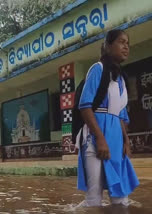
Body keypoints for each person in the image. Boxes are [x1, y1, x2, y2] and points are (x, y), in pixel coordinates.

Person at [77, 29, 139, 207]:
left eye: (128, 43)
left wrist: (126, 142)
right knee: (94, 197)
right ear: (108, 46)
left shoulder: (121, 79)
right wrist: (101, 139)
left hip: (116, 141)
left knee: (120, 197)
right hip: (94, 139)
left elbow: (120, 115)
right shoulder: (97, 69)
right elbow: (85, 106)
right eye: (121, 42)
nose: (126, 46)